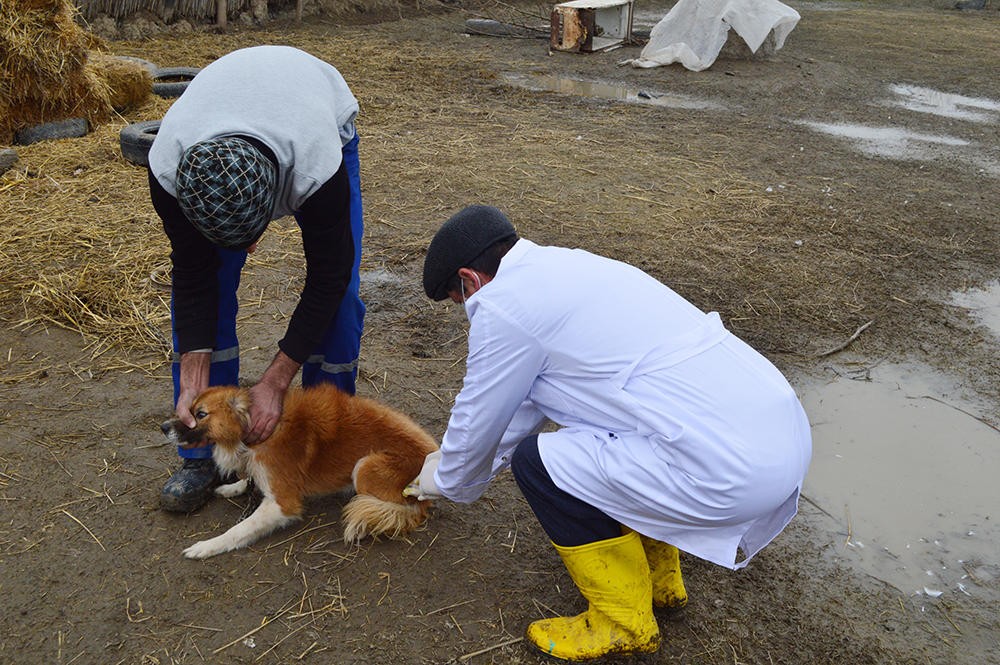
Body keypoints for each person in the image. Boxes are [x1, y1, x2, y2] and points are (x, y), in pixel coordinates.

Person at [407, 205, 812, 660]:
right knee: (613, 439)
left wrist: (442, 480)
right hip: (779, 434)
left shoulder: (505, 308)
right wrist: (456, 470)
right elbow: (522, 404)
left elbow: (480, 414)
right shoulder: (571, 268)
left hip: (729, 470)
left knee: (539, 464)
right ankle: (662, 581)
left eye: (458, 299)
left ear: (469, 279)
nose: (465, 311)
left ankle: (623, 620)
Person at [148, 45, 365, 512]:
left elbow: (329, 277)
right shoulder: (169, 166)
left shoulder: (316, 167)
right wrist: (193, 373)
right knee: (214, 280)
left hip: (313, 111)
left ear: (277, 204)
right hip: (220, 119)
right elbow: (192, 273)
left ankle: (328, 441)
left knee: (341, 300)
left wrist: (274, 383)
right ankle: (201, 453)